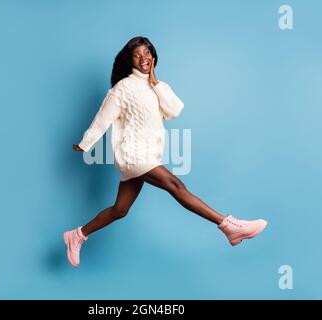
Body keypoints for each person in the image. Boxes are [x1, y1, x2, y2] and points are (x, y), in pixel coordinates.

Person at [64, 36, 267, 268]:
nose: (143, 59)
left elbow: (174, 110)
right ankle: (230, 226)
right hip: (133, 154)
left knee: (120, 210)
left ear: (153, 56)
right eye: (137, 55)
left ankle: (77, 235)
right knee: (175, 184)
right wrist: (85, 143)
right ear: (130, 60)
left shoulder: (156, 86)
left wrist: (155, 83)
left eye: (147, 53)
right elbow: (103, 119)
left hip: (149, 154)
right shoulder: (123, 88)